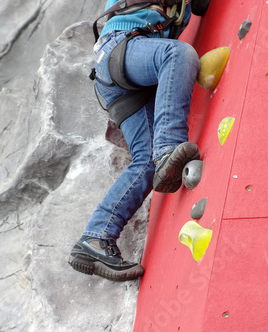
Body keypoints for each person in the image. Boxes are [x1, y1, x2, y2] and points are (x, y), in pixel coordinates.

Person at [68, 0, 206, 281]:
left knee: (146, 162)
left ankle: (95, 239)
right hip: (121, 51)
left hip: (119, 78)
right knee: (177, 55)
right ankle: (169, 148)